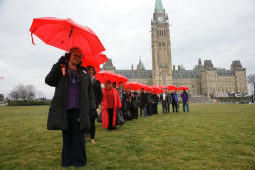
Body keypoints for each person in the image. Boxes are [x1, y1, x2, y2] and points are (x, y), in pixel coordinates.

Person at [45, 46, 96, 168]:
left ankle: (79, 161)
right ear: (69, 55)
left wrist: (92, 107)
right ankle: (67, 161)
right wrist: (58, 65)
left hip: (80, 109)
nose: (76, 57)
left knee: (79, 135)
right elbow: (49, 81)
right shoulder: (61, 67)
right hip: (65, 109)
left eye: (79, 56)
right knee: (67, 135)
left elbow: (90, 91)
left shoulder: (84, 73)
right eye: (74, 55)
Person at [86, 65, 103, 144]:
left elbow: (100, 94)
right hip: (85, 103)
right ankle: (86, 133)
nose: (90, 72)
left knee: (92, 121)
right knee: (84, 120)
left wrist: (98, 102)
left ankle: (92, 138)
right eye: (89, 70)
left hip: (94, 104)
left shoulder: (97, 82)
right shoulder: (84, 80)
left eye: (92, 70)